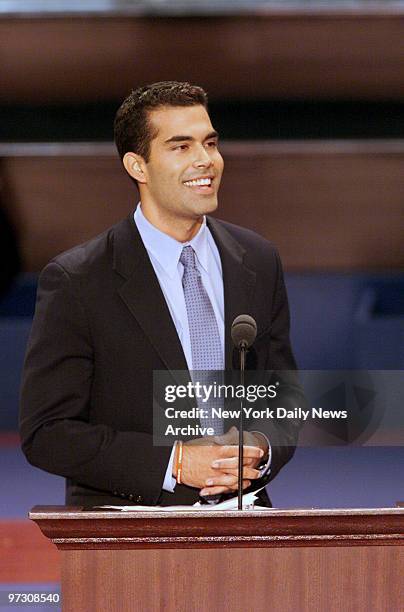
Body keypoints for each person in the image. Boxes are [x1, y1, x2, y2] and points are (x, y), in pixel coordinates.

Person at [20, 81, 302, 507]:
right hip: (130, 532)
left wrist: (260, 447)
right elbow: (47, 431)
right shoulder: (78, 280)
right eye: (181, 147)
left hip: (245, 522)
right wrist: (174, 463)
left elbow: (284, 397)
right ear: (138, 166)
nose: (206, 160)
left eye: (210, 143)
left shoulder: (258, 261)